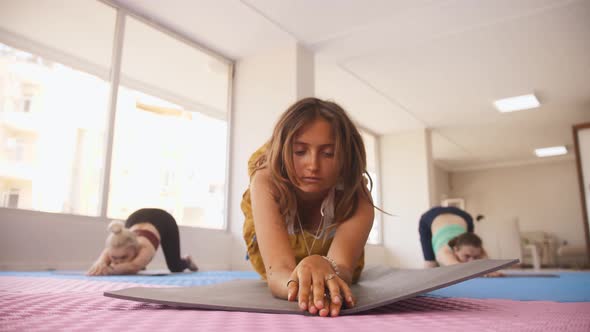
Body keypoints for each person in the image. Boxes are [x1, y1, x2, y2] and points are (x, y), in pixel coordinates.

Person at [241, 97, 377, 317]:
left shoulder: (356, 195)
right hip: (282, 268)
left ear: (344, 158)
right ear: (286, 152)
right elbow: (278, 273)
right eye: (300, 151)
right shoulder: (265, 182)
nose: (313, 165)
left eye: (328, 153)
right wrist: (309, 290)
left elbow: (342, 266)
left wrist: (323, 269)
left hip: (334, 263)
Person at [87, 208, 198, 276]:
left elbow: (134, 267)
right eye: (114, 258)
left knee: (175, 267)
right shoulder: (117, 243)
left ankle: (187, 261)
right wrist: (100, 264)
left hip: (164, 220)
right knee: (128, 265)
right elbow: (101, 262)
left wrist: (109, 269)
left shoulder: (145, 248)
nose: (118, 262)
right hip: (136, 217)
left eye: (123, 257)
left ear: (135, 250)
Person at [418, 206, 489, 268]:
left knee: (473, 247)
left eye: (475, 257)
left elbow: (489, 267)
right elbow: (460, 270)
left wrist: (492, 272)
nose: (471, 261)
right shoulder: (444, 252)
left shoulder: (476, 249)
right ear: (455, 249)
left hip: (463, 216)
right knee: (430, 263)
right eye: (467, 256)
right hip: (430, 216)